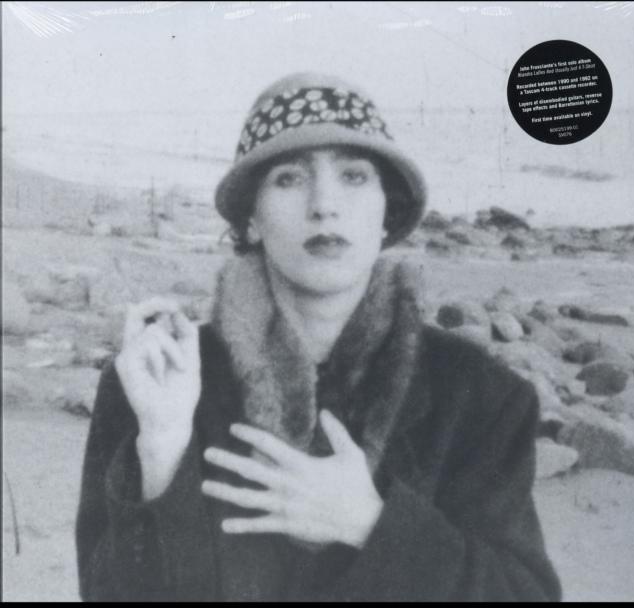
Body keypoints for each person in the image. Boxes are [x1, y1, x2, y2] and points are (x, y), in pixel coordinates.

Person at [75, 72, 562, 602]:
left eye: (353, 176)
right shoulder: (154, 384)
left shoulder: (481, 396)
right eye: (288, 178)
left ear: (386, 213)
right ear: (252, 219)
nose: (324, 204)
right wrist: (163, 447)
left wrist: (373, 525)